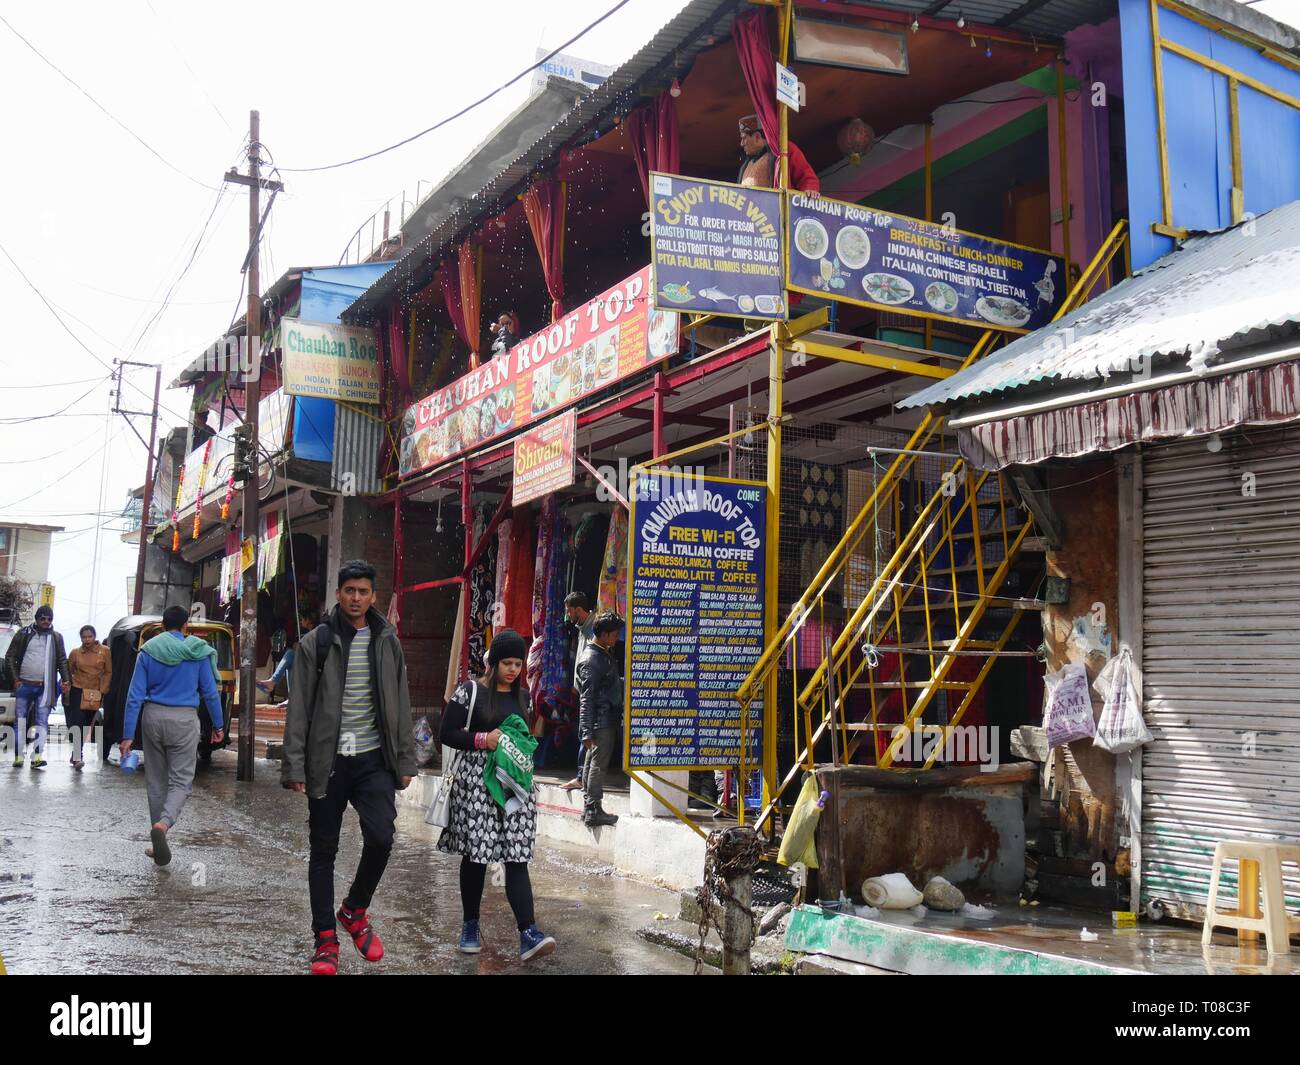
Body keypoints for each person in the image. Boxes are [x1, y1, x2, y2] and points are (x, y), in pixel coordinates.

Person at [282, 560, 417, 977]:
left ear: (373, 596)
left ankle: (354, 911)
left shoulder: (386, 640)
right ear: (338, 594)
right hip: (328, 761)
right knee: (323, 849)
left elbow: (401, 699)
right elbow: (300, 708)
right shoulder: (316, 642)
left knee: (381, 836)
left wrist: (406, 758)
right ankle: (325, 938)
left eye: (363, 591)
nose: (356, 598)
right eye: (349, 591)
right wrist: (295, 765)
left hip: (374, 758)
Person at [439, 628, 556, 962]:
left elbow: (525, 737)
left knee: (517, 856)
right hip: (477, 786)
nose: (513, 670)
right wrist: (482, 740)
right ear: (493, 662)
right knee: (477, 857)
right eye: (507, 662)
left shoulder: (524, 697)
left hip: (515, 787)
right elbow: (447, 733)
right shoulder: (470, 692)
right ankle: (470, 925)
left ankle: (528, 932)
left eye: (518, 663)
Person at [119, 606, 224, 865]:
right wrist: (219, 725)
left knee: (156, 781)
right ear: (185, 626)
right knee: (181, 782)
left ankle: (157, 838)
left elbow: (134, 696)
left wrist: (127, 735)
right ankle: (163, 826)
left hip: (152, 717)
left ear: (163, 625)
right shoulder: (197, 651)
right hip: (185, 720)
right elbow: (210, 692)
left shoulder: (149, 650)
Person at [5, 605, 70, 770]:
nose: (46, 621)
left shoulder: (56, 638)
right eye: (43, 618)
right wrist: (15, 680)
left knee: (42, 722)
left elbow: (62, 660)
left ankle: (37, 757)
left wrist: (66, 680)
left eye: (49, 619)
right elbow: (10, 656)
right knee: (20, 721)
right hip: (24, 686)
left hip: (45, 688)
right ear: (36, 619)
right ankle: (19, 756)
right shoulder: (23, 634)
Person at [576, 611, 625, 828]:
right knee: (597, 764)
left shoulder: (601, 653)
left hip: (605, 718)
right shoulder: (592, 659)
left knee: (592, 763)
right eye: (614, 634)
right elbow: (587, 698)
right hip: (601, 720)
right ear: (604, 635)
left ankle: (589, 807)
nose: (617, 638)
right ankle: (593, 809)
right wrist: (586, 731)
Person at [559, 591, 596, 792]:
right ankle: (583, 776)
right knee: (584, 733)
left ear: (578, 610)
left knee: (586, 733)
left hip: (589, 693)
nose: (567, 615)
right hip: (584, 691)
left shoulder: (592, 629)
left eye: (569, 610)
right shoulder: (582, 628)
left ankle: (583, 777)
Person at [737, 114, 820, 194]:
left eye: (744, 138)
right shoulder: (747, 162)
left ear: (757, 137)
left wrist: (809, 190)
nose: (742, 143)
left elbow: (806, 178)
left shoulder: (784, 149)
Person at [67, 624, 112, 771]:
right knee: (77, 722)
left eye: (89, 636)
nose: (87, 640)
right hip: (78, 690)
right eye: (84, 637)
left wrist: (103, 690)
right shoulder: (75, 653)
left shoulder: (105, 651)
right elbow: (69, 670)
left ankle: (76, 753)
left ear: (94, 636)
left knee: (87, 724)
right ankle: (77, 755)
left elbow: (108, 672)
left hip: (94, 693)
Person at [257, 608, 319, 699]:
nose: (301, 622)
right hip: (307, 663)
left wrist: (299, 646)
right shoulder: (310, 633)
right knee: (289, 663)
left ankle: (273, 682)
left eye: (302, 619)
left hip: (313, 666)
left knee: (290, 654)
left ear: (308, 620)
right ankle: (290, 697)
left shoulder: (316, 633)